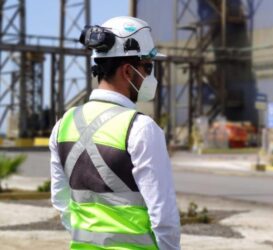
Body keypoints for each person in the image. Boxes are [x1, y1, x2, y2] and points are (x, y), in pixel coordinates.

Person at [49, 16, 181, 250]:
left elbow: (61, 201)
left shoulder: (63, 125)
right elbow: (164, 218)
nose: (150, 76)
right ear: (128, 71)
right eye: (147, 67)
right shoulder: (141, 129)